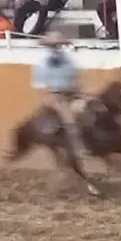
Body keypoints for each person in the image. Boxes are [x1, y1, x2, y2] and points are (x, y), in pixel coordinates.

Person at [32, 31, 86, 161]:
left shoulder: (67, 59)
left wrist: (78, 90)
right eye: (54, 45)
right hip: (55, 96)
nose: (57, 48)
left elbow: (75, 75)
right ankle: (78, 148)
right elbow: (39, 83)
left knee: (92, 109)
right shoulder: (44, 62)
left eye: (59, 45)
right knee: (69, 119)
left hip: (71, 94)